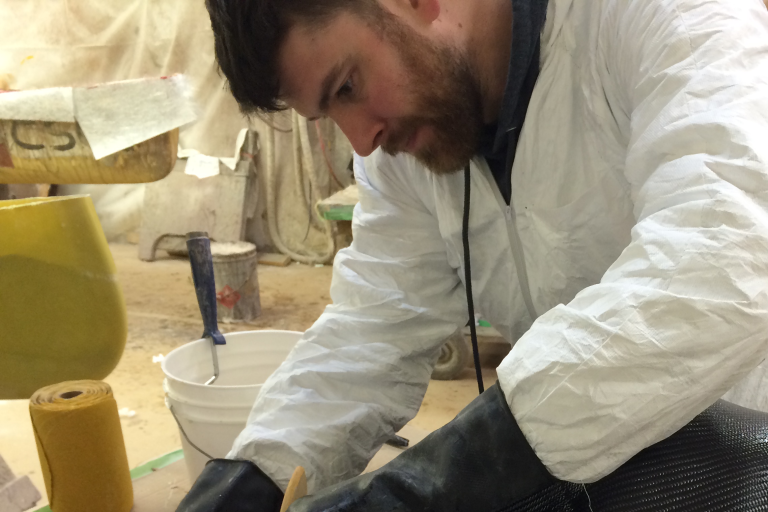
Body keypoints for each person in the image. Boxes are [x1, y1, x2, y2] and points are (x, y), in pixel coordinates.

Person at [177, 0, 768, 509]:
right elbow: (376, 329)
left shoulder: (661, 19)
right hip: (593, 476)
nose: (360, 140)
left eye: (348, 86)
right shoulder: (403, 150)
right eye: (329, 113)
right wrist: (258, 474)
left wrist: (459, 466)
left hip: (744, 463)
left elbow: (727, 252)